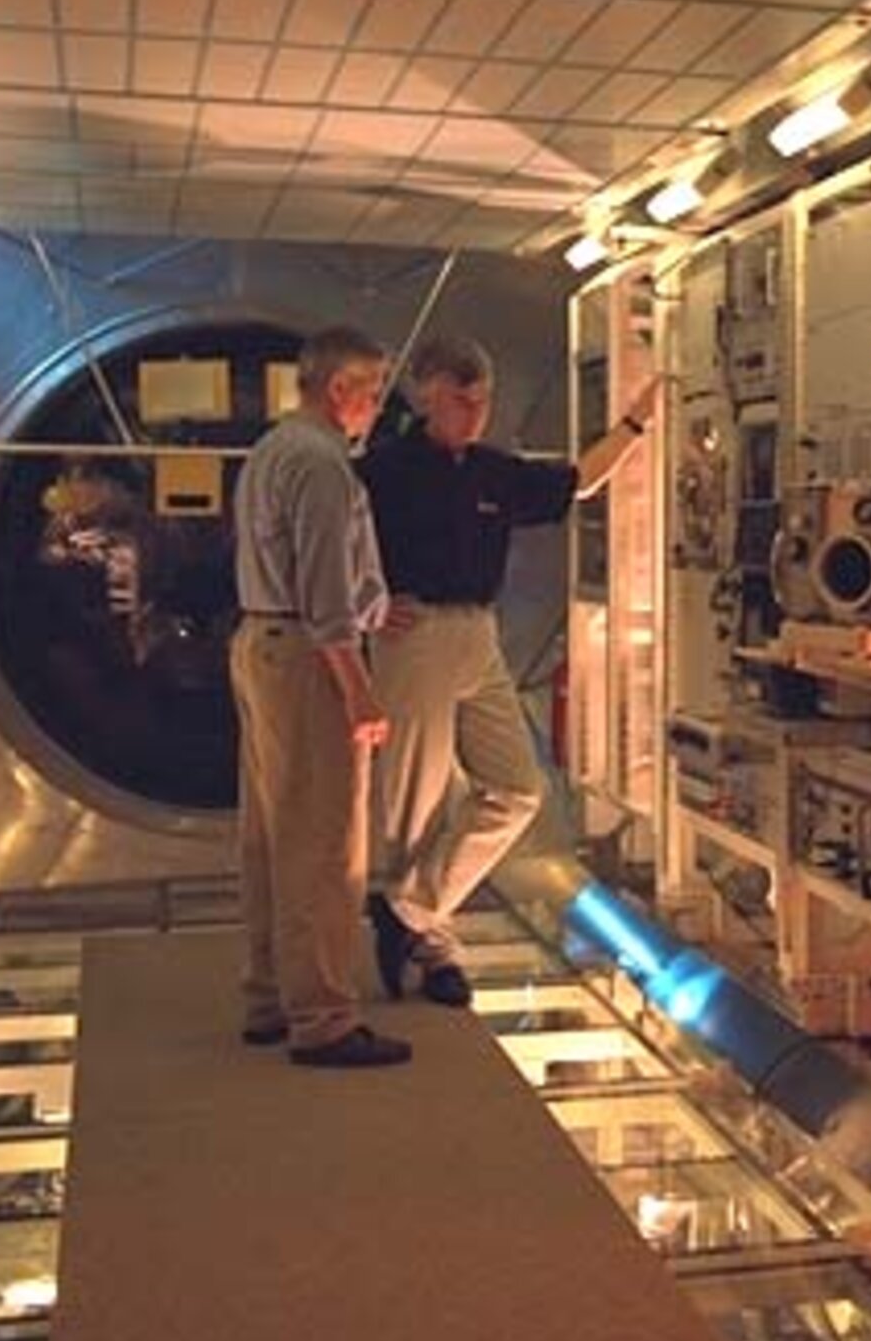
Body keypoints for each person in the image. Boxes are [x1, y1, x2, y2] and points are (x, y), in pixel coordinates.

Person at [360, 333, 660, 1006]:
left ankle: (404, 911)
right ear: (425, 396)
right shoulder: (384, 472)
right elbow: (331, 544)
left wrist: (638, 422)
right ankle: (435, 949)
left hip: (478, 633)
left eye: (483, 400)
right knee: (416, 809)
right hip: (417, 638)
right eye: (460, 400)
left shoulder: (495, 471)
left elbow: (580, 480)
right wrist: (365, 607)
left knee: (517, 789)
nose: (474, 412)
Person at [228, 325, 409, 1068]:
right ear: (340, 389)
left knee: (271, 832)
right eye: (371, 391)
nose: (375, 407)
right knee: (327, 840)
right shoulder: (324, 466)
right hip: (307, 658)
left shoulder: (272, 451)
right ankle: (326, 1017)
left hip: (260, 644)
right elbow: (327, 595)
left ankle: (270, 995)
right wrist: (361, 691)